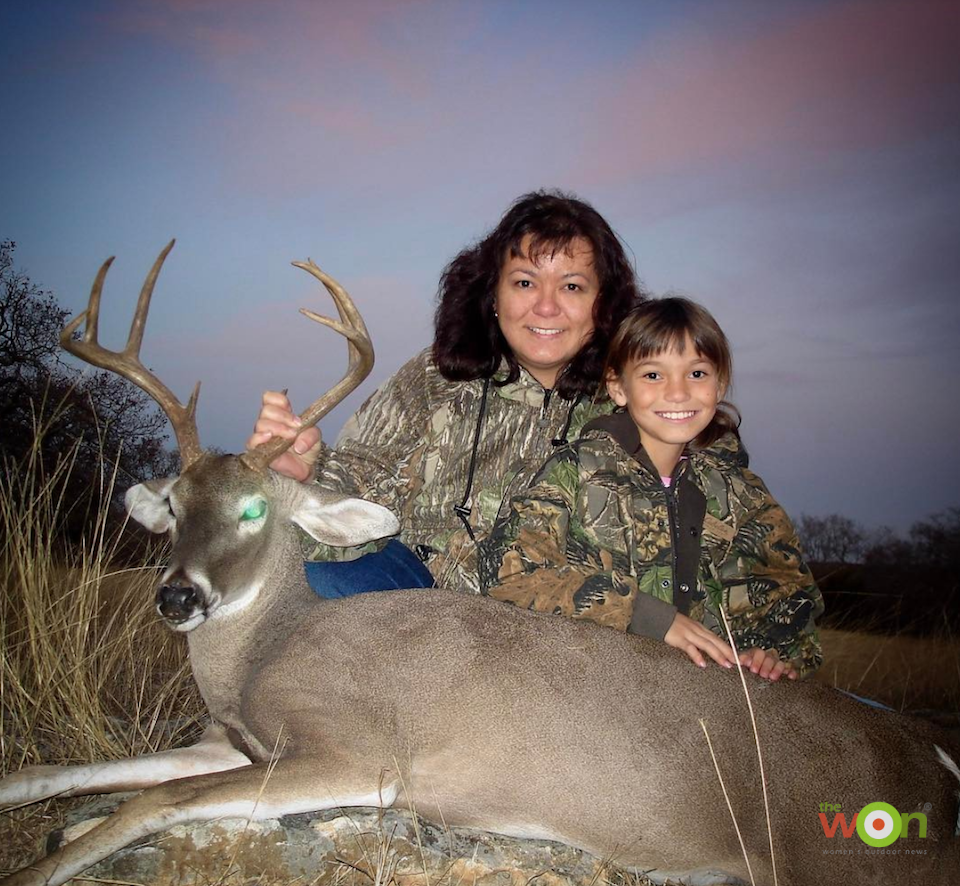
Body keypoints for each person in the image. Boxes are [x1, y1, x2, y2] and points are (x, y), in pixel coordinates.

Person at [247, 190, 644, 596]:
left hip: (555, 614)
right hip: (420, 595)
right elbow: (366, 479)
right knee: (313, 584)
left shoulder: (636, 401)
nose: (546, 307)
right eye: (525, 282)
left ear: (603, 303)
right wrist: (308, 476)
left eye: (572, 287)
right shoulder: (434, 378)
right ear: (493, 295)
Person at [478, 297, 824, 680]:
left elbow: (790, 593)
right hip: (590, 678)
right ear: (618, 387)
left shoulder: (741, 492)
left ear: (720, 383)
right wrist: (645, 615)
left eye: (696, 374)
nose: (677, 393)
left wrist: (775, 651)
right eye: (653, 375)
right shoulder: (578, 470)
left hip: (709, 688)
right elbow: (507, 570)